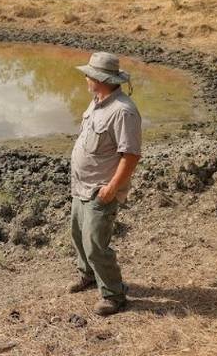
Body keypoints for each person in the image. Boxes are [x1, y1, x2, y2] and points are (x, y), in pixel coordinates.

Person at [68, 51, 142, 316]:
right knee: (78, 235)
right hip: (81, 186)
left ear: (99, 78)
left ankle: (114, 295)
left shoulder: (123, 111)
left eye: (89, 74)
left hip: (100, 190)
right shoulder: (97, 101)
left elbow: (130, 156)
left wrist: (111, 189)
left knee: (96, 244)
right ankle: (87, 275)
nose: (86, 78)